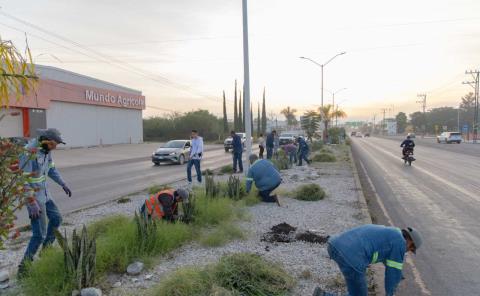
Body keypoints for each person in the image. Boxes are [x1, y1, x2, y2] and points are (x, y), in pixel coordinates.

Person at [18, 128, 72, 275]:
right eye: (54, 144)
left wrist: (63, 184)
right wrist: (31, 201)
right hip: (34, 199)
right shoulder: (29, 152)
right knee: (39, 234)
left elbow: (51, 170)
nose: (56, 147)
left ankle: (45, 251)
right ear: (46, 141)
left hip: (46, 195)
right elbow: (22, 180)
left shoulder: (46, 152)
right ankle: (23, 269)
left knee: (56, 219)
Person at [314, 224, 423, 296]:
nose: (407, 251)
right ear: (409, 241)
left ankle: (321, 294)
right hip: (351, 257)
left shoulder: (392, 233)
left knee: (357, 292)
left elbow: (387, 259)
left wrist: (400, 275)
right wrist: (390, 294)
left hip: (335, 245)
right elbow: (392, 274)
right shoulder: (400, 243)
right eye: (410, 248)